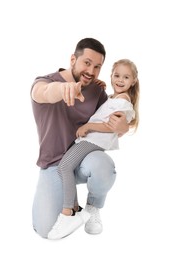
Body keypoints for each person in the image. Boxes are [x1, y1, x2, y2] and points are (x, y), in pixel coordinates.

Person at [31, 38, 129, 239]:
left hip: (83, 158)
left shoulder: (97, 90)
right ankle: (71, 204)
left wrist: (123, 127)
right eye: (87, 63)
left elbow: (110, 119)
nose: (91, 71)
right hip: (53, 163)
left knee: (104, 166)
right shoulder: (46, 82)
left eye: (97, 67)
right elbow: (44, 93)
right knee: (45, 229)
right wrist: (63, 89)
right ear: (73, 59)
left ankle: (92, 209)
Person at [47, 58, 140, 239]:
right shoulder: (115, 98)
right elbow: (104, 111)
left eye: (126, 77)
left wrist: (88, 127)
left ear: (133, 81)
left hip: (94, 140)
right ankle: (74, 208)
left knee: (64, 167)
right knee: (68, 169)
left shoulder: (123, 101)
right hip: (91, 140)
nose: (120, 80)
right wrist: (102, 86)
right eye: (117, 75)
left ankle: (67, 214)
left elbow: (111, 126)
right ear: (111, 76)